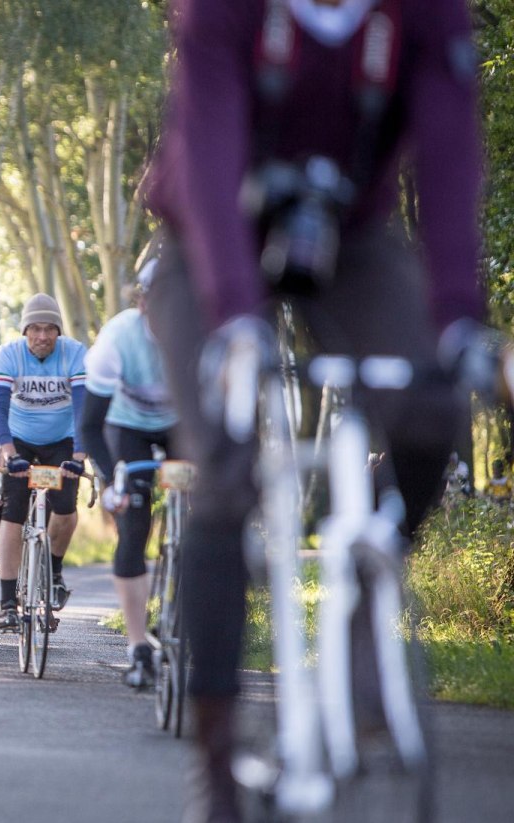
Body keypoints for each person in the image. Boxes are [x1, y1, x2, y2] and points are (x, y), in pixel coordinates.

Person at [142, 2, 496, 820]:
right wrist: (235, 317)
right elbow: (210, 138)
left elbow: (447, 149)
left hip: (349, 233)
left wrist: (458, 313)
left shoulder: (424, 14)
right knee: (226, 464)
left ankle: (363, 602)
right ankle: (218, 762)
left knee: (430, 404)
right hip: (208, 240)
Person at [77, 260, 177, 690]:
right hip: (126, 426)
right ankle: (138, 646)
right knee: (133, 525)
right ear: (142, 302)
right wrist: (111, 478)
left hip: (182, 424)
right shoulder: (116, 341)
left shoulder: (204, 330)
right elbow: (89, 427)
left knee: (210, 511)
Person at [0, 294, 87, 631]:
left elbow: (84, 408)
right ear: (25, 330)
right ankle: (6, 604)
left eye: (50, 329)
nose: (43, 336)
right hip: (18, 440)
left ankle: (54, 571)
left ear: (58, 331)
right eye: (35, 329)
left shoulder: (74, 353)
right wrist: (7, 452)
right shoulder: (9, 355)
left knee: (66, 508)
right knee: (12, 510)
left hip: (62, 441)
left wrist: (79, 457)